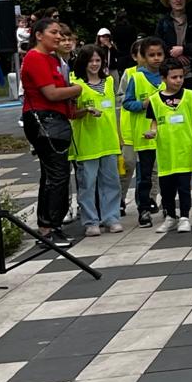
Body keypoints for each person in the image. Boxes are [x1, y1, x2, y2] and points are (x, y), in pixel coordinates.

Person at [19, 17, 82, 249]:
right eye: (54, 33)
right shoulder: (35, 58)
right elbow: (52, 93)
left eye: (61, 33)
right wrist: (77, 89)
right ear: (38, 35)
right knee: (57, 174)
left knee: (53, 174)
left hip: (55, 120)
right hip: (44, 121)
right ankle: (49, 227)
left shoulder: (53, 59)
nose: (58, 37)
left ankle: (49, 226)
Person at [69, 43, 124, 237]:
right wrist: (86, 111)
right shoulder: (76, 84)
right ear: (83, 62)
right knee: (87, 184)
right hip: (87, 142)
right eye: (90, 60)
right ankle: (91, 221)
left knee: (111, 182)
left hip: (108, 140)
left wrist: (119, 136)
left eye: (98, 60)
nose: (94, 64)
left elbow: (113, 112)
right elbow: (72, 113)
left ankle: (112, 217)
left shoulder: (109, 82)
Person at [144, 57, 192, 234]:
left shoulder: (190, 96)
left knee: (184, 186)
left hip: (185, 148)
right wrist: (152, 132)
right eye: (173, 77)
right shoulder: (154, 100)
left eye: (180, 77)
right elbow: (154, 122)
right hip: (165, 152)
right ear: (163, 79)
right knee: (166, 187)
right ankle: (170, 216)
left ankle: (184, 216)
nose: (178, 80)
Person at [123, 37, 167, 228]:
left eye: (159, 54)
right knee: (145, 174)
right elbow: (126, 102)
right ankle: (144, 208)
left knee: (166, 173)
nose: (156, 58)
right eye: (152, 55)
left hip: (167, 135)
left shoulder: (168, 76)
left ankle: (168, 205)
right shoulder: (136, 78)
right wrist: (142, 105)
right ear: (143, 57)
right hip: (144, 135)